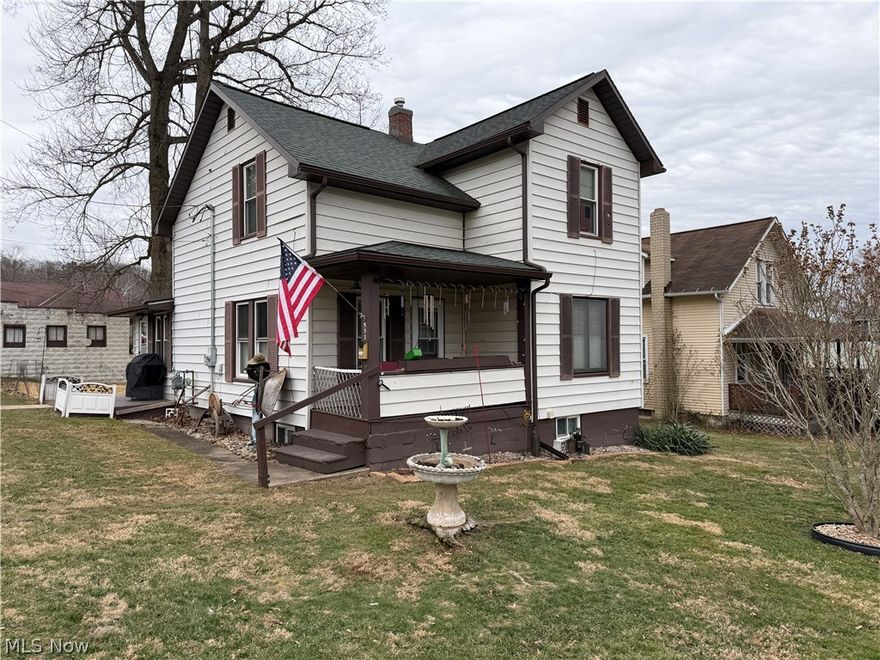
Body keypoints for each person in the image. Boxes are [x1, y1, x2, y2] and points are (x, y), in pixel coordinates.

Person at [245, 353, 270, 447]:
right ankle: (254, 438)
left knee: (257, 419)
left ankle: (256, 440)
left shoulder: (263, 380)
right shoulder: (259, 380)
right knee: (255, 417)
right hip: (256, 399)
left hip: (259, 400)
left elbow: (260, 393)